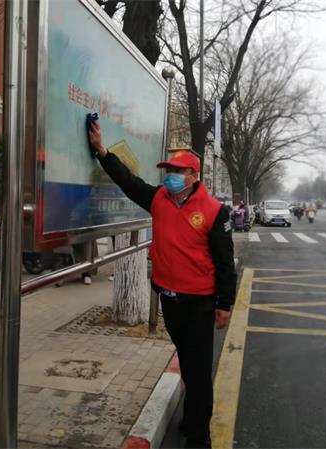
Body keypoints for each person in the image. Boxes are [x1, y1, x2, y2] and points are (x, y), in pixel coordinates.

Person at [89, 120, 237, 448]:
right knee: (187, 361)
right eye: (168, 170)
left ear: (193, 176)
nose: (170, 175)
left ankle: (199, 437)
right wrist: (102, 152)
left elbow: (225, 263)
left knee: (198, 371)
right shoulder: (159, 199)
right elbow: (128, 182)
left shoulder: (214, 211)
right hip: (169, 300)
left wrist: (225, 303)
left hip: (200, 303)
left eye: (177, 171)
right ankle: (192, 419)